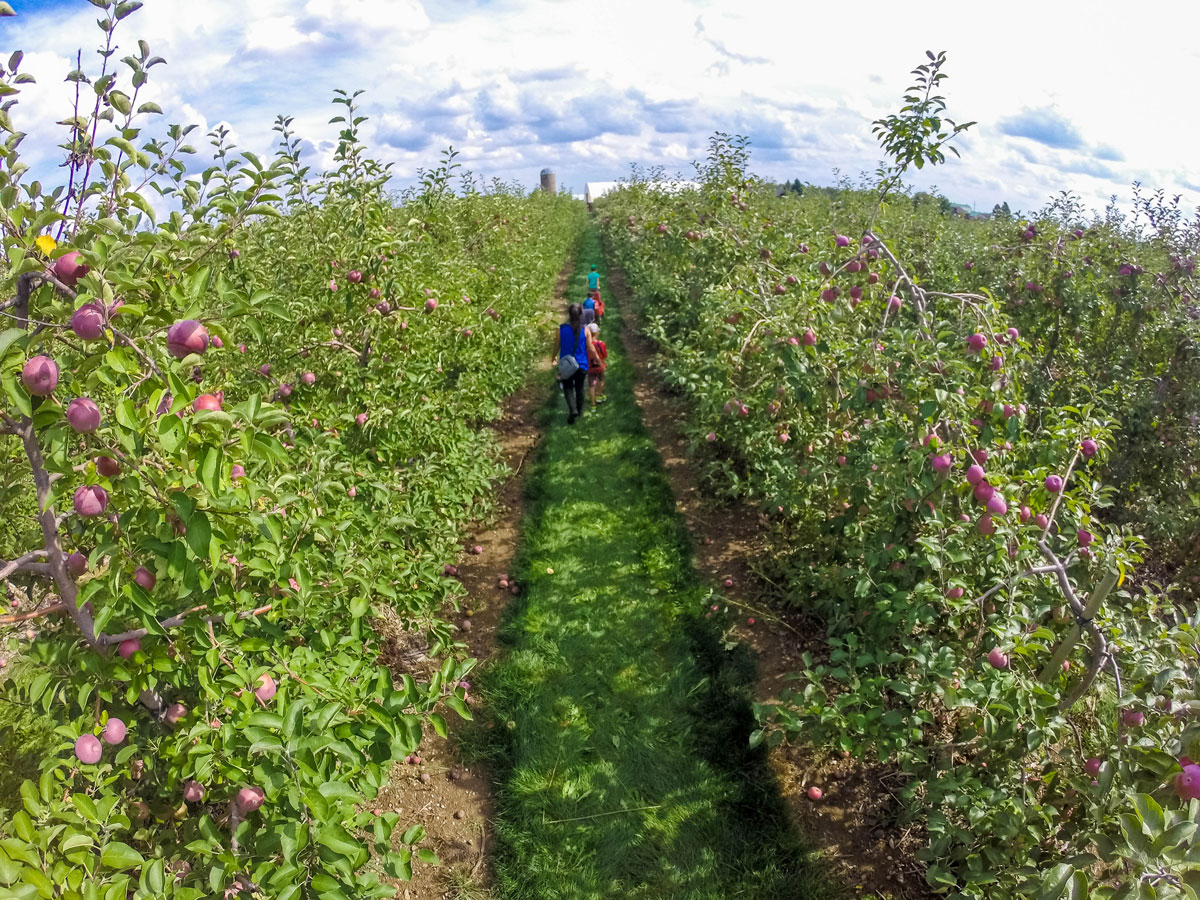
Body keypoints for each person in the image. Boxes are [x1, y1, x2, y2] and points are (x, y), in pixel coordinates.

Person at [552, 302, 592, 424]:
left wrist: (553, 357)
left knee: (568, 388)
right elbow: (590, 348)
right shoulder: (585, 330)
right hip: (581, 365)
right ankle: (579, 411)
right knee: (580, 389)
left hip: (567, 365)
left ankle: (572, 410)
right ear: (581, 314)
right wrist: (597, 360)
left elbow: (556, 345)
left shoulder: (561, 329)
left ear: (569, 314)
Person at [586, 322, 607, 406]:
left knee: (591, 385)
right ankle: (599, 394)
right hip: (600, 366)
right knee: (601, 380)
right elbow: (605, 355)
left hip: (590, 367)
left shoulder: (586, 345)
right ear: (597, 332)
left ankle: (593, 404)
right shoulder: (601, 344)